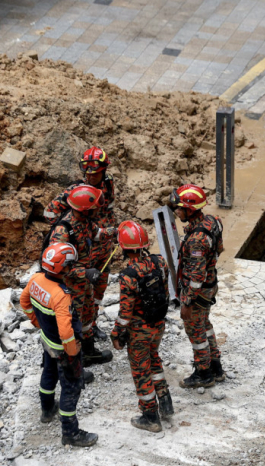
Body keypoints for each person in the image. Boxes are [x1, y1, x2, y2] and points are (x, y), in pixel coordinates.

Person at [20, 243, 98, 447]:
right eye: (70, 265)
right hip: (63, 349)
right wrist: (72, 353)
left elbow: (24, 301)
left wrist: (36, 322)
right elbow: (66, 331)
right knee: (71, 388)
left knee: (48, 373)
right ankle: (70, 432)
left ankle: (47, 410)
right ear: (62, 268)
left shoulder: (36, 279)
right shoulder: (60, 295)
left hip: (47, 341)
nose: (72, 268)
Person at [44, 147, 117, 340]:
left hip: (103, 245)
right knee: (82, 294)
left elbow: (108, 211)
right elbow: (49, 212)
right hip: (85, 251)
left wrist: (111, 232)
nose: (91, 177)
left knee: (99, 290)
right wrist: (69, 233)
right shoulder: (77, 191)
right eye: (87, 173)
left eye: (95, 173)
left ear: (104, 170)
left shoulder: (108, 184)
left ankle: (92, 324)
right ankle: (76, 336)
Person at [110, 221, 173, 433]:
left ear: (123, 247)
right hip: (158, 324)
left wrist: (117, 333)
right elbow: (165, 292)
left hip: (139, 331)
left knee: (140, 370)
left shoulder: (128, 275)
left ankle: (150, 416)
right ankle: (165, 402)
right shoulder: (160, 262)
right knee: (153, 358)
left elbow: (125, 312)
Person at [49, 184, 113, 367]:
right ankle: (73, 364)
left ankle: (88, 352)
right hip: (70, 286)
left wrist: (114, 232)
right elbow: (57, 265)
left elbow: (98, 234)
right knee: (72, 322)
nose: (98, 211)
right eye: (95, 209)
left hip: (84, 284)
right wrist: (83, 272)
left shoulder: (85, 222)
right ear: (84, 210)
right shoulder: (63, 231)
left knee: (87, 316)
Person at [170, 184, 225, 389]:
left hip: (199, 291)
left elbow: (195, 277)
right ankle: (216, 367)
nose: (176, 211)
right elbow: (219, 250)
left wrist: (186, 302)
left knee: (195, 331)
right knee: (206, 325)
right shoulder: (213, 221)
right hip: (211, 285)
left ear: (190, 210)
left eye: (179, 208)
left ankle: (204, 373)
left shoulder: (195, 241)